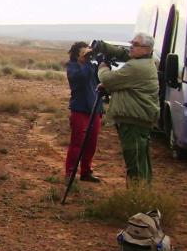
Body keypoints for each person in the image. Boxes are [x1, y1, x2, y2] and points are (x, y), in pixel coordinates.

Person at [97, 32, 160, 185]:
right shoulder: (147, 61)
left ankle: (136, 199)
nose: (131, 47)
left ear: (147, 49)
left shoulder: (136, 67)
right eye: (131, 43)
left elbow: (108, 79)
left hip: (134, 122)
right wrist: (107, 48)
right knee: (140, 160)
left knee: (135, 164)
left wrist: (103, 67)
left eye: (136, 45)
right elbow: (126, 55)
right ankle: (142, 196)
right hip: (139, 120)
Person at [65, 41, 104, 182]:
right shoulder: (72, 68)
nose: (87, 55)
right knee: (77, 143)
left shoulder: (92, 67)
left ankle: (86, 172)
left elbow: (102, 80)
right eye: (84, 53)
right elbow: (82, 78)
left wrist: (101, 62)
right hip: (80, 109)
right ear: (77, 56)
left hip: (94, 109)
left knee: (91, 143)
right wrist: (88, 63)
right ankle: (70, 173)